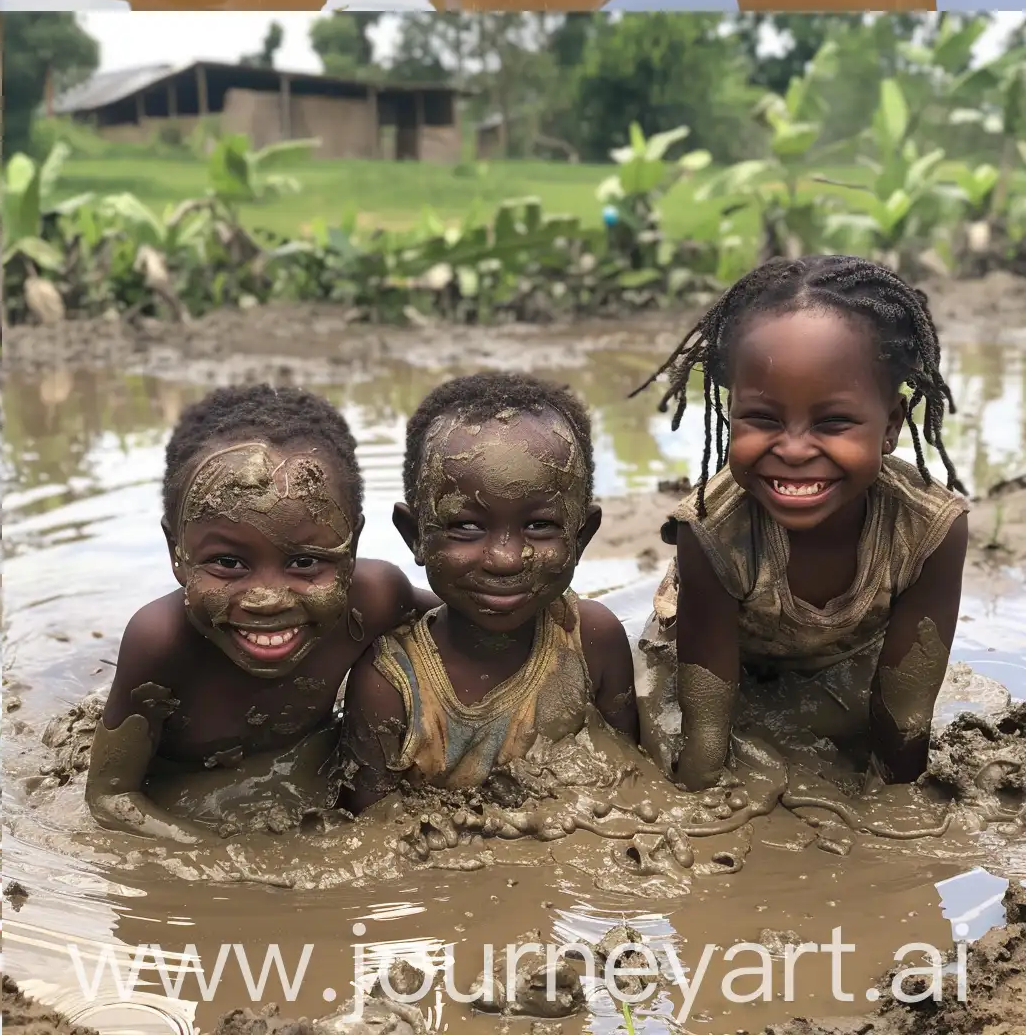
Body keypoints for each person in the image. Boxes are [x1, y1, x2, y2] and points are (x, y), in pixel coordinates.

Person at [632, 255, 969, 787]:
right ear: (728, 412)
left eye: (833, 422)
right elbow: (706, 724)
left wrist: (901, 807)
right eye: (762, 418)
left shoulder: (929, 530)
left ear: (891, 427)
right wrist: (700, 796)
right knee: (658, 725)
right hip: (713, 648)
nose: (792, 450)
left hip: (845, 652)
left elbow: (907, 715)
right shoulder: (711, 532)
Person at [83, 384, 417, 843]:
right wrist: (217, 857)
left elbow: (465, 622)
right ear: (176, 552)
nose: (267, 599)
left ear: (352, 547)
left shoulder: (374, 597)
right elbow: (109, 798)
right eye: (229, 563)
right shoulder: (160, 643)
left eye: (304, 562)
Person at [339, 375, 636, 805]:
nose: (505, 559)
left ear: (581, 536)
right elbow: (368, 836)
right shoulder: (390, 685)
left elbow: (632, 782)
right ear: (414, 536)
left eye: (539, 525)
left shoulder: (593, 641)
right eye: (466, 526)